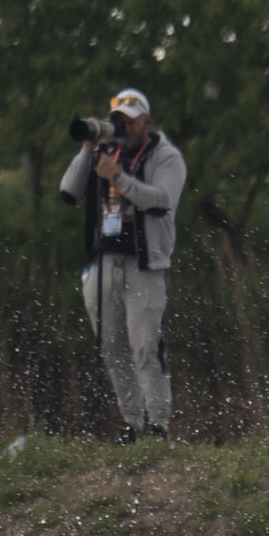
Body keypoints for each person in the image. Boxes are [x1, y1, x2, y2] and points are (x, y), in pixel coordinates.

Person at [59, 88, 186, 443]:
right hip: (104, 260)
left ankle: (158, 424)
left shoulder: (166, 156)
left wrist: (118, 179)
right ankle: (131, 421)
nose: (124, 127)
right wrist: (88, 148)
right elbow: (68, 191)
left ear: (146, 121)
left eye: (131, 121)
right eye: (118, 120)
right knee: (111, 346)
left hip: (145, 263)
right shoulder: (105, 152)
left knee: (145, 345)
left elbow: (161, 200)